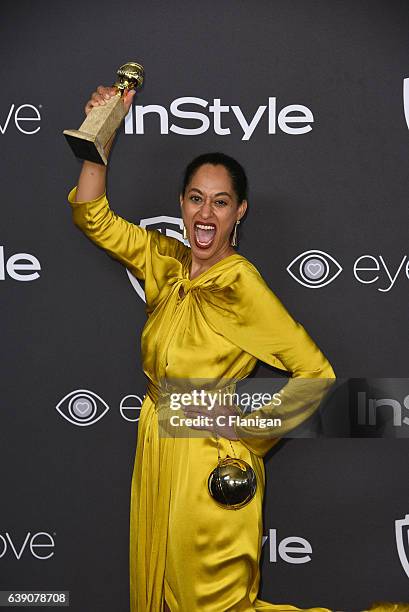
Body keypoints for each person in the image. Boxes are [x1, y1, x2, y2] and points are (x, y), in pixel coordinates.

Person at [67, 84, 383, 612]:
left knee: (214, 605)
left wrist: (249, 431)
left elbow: (316, 373)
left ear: (240, 212)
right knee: (167, 595)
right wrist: (104, 131)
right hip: (158, 449)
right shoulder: (163, 260)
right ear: (181, 204)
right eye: (196, 199)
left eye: (220, 202)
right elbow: (91, 216)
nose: (205, 214)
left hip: (211, 464)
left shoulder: (242, 285)